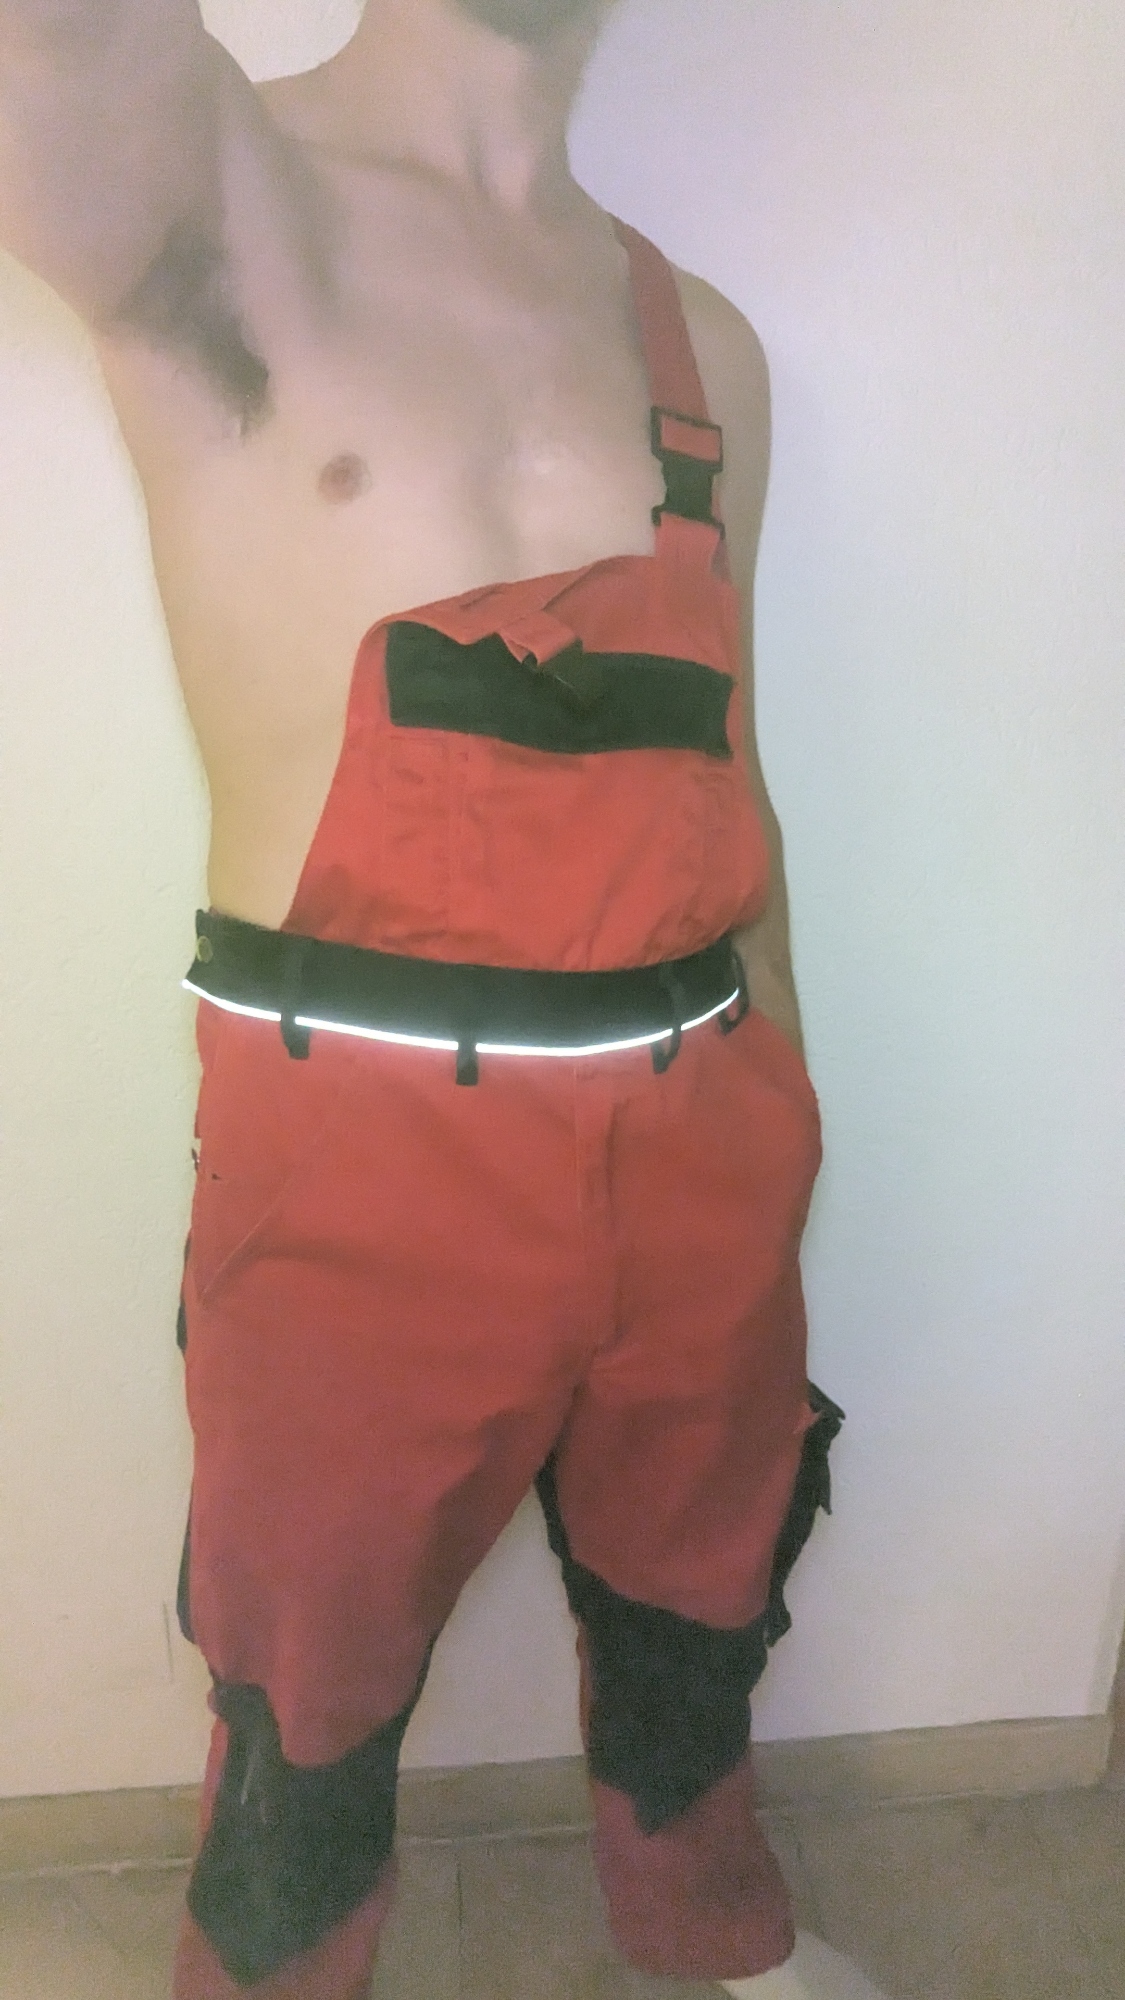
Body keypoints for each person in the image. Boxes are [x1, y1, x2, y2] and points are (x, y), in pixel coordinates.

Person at [0, 2, 886, 1994]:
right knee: (301, 1708)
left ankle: (712, 1937)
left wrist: (785, 1122)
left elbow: (727, 766)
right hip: (364, 1161)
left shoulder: (703, 344)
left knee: (700, 1600)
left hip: (703, 1127)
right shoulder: (198, 185)